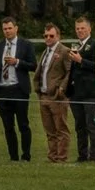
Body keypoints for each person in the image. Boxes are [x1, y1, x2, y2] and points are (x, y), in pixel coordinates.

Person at [0, 16, 35, 161]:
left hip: (19, 89)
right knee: (8, 126)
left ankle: (26, 155)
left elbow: (33, 65)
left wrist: (17, 62)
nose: (7, 31)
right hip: (2, 90)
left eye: (10, 28)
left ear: (16, 28)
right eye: (5, 29)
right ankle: (13, 156)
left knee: (23, 124)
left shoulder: (25, 45)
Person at [35, 23, 72, 163]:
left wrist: (62, 88)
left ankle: (61, 158)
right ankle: (52, 157)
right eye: (46, 36)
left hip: (57, 97)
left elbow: (69, 72)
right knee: (49, 130)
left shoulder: (64, 51)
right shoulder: (46, 52)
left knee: (61, 129)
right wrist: (37, 88)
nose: (48, 38)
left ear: (58, 36)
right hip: (44, 95)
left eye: (51, 36)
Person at [68, 16, 95, 162]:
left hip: (90, 93)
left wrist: (81, 61)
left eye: (82, 28)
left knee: (92, 125)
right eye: (77, 28)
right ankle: (82, 155)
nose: (80, 31)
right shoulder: (75, 46)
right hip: (76, 93)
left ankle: (94, 156)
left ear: (89, 29)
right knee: (79, 126)